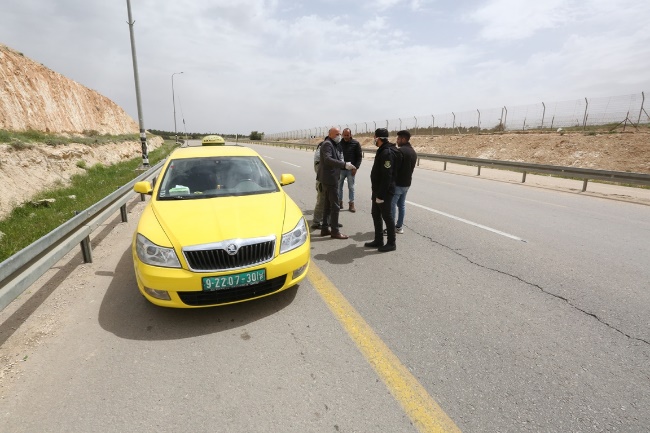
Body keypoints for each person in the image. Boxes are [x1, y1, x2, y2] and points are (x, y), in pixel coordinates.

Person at [318, 127, 356, 239]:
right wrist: (344, 164)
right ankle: (335, 231)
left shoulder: (333, 144)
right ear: (330, 134)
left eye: (339, 134)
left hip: (330, 177)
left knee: (328, 205)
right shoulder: (327, 144)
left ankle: (325, 228)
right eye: (337, 134)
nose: (339, 136)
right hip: (329, 179)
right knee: (335, 206)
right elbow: (328, 159)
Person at [364, 128, 396, 252]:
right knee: (375, 214)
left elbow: (387, 176)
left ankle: (391, 243)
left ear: (378, 138)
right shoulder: (382, 150)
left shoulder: (387, 152)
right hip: (377, 190)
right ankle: (378, 240)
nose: (374, 140)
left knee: (387, 216)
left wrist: (381, 195)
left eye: (374, 137)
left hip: (384, 192)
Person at [391, 130, 417, 234]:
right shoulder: (413, 152)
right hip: (407, 183)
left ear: (403, 139)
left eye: (398, 139)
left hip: (398, 183)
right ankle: (399, 227)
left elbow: (395, 168)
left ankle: (391, 228)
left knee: (392, 205)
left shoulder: (400, 151)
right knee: (401, 205)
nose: (396, 141)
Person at [337, 128, 362, 212]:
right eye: (345, 135)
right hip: (341, 169)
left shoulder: (356, 143)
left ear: (350, 135)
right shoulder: (339, 144)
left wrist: (356, 167)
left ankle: (351, 204)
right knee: (339, 187)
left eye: (348, 135)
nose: (346, 137)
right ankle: (339, 202)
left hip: (351, 170)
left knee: (351, 187)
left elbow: (359, 157)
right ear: (342, 135)